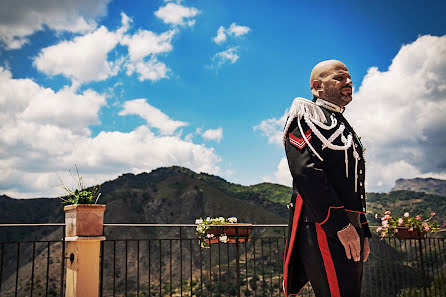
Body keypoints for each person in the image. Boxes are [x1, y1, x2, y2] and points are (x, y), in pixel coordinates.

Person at [282, 60, 372, 297]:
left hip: (348, 227)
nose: (349, 82)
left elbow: (353, 184)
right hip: (325, 225)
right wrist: (340, 225)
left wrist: (361, 229)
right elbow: (306, 173)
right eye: (339, 78)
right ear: (316, 87)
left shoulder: (340, 123)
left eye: (349, 77)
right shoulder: (306, 117)